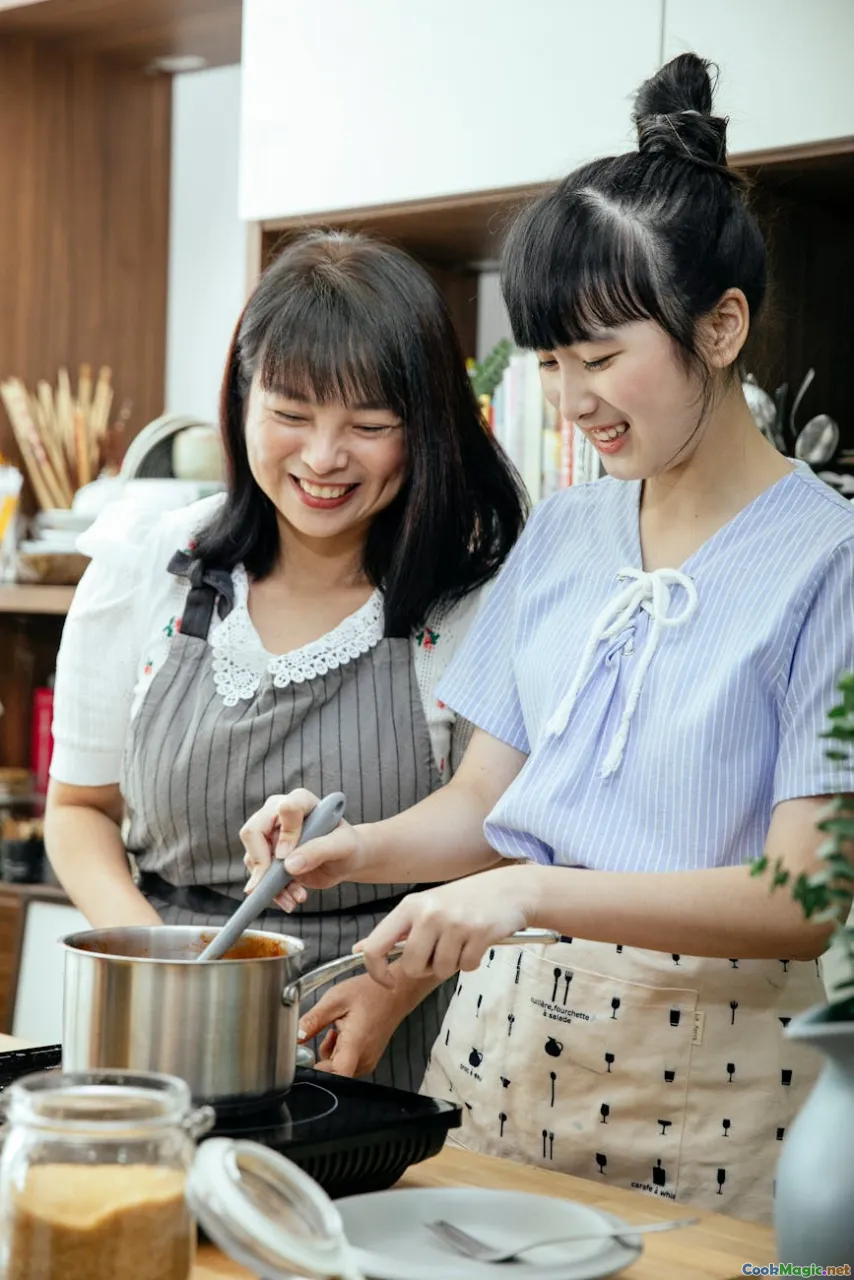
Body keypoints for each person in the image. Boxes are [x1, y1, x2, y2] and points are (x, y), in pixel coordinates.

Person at [240, 56, 854, 1220]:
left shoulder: (832, 561)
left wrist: (532, 891)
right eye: (549, 363)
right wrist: (351, 845)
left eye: (600, 355)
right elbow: (485, 801)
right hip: (502, 1051)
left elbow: (803, 895)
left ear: (718, 326)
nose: (569, 401)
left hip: (724, 1079)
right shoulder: (565, 529)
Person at [45, 230, 527, 1093]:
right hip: (159, 1031)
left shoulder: (473, 600)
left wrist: (391, 989)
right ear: (242, 398)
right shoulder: (145, 569)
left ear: (425, 429)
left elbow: (499, 832)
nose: (322, 458)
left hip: (388, 1032)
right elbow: (78, 809)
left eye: (369, 426)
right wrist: (158, 963)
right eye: (292, 414)